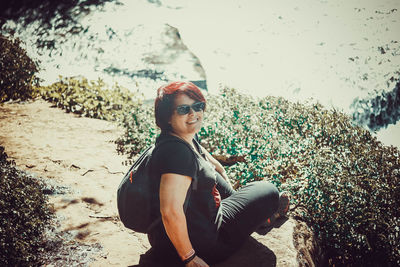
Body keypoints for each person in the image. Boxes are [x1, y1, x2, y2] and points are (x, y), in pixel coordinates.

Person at [141, 81, 290, 266]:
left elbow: (210, 162)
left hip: (173, 235)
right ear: (167, 117)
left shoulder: (178, 138)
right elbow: (170, 211)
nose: (193, 113)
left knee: (212, 174)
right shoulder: (177, 154)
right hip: (205, 244)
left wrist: (225, 183)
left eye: (198, 106)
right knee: (268, 191)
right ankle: (264, 219)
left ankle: (257, 218)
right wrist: (189, 258)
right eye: (183, 109)